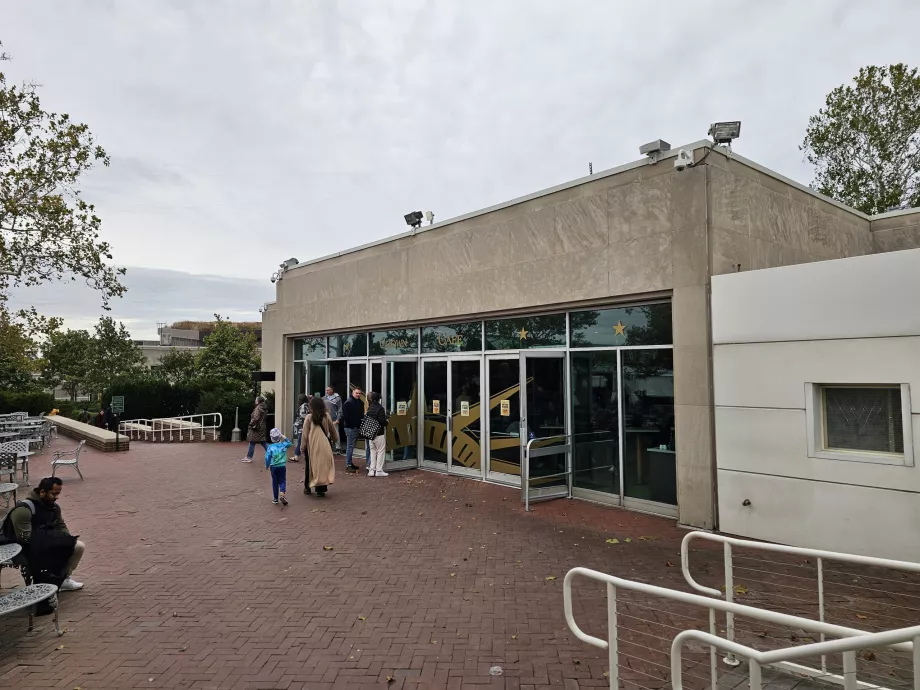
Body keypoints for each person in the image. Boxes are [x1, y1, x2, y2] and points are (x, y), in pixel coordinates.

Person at [0, 477, 85, 593]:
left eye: (58, 494)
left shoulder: (54, 507)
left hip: (42, 541)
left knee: (77, 546)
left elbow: (61, 526)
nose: (56, 497)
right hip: (18, 547)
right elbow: (24, 538)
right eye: (53, 494)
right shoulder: (24, 510)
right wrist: (54, 539)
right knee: (50, 550)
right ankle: (46, 580)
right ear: (42, 492)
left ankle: (62, 578)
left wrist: (65, 539)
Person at [303, 396, 337, 497]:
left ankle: (307, 487)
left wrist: (302, 446)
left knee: (310, 466)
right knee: (323, 466)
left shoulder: (309, 417)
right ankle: (321, 489)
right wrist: (335, 439)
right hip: (325, 444)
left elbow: (305, 434)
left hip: (312, 445)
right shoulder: (326, 416)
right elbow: (332, 430)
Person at [264, 428, 292, 506]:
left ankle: (275, 499)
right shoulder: (283, 445)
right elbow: (290, 443)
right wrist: (283, 437)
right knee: (282, 480)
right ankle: (282, 493)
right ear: (279, 437)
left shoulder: (270, 447)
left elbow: (267, 457)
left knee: (275, 482)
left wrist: (267, 465)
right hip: (282, 466)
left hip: (273, 467)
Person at [365, 391, 389, 477]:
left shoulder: (370, 408)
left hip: (370, 433)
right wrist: (387, 422)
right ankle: (379, 470)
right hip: (379, 433)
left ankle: (372, 470)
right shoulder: (380, 408)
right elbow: (382, 421)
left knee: (373, 451)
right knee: (381, 451)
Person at [341, 387, 365, 472]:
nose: (358, 395)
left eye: (359, 393)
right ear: (352, 393)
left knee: (351, 446)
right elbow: (346, 417)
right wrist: (353, 425)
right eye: (356, 393)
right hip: (350, 428)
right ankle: (348, 464)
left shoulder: (359, 402)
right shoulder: (348, 403)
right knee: (350, 446)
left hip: (354, 427)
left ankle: (350, 463)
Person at [242, 395, 268, 463]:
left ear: (258, 401)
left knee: (252, 441)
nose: (255, 400)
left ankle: (249, 457)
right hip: (262, 427)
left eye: (256, 399)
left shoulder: (258, 408)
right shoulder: (264, 408)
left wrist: (251, 424)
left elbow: (255, 418)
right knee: (263, 442)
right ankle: (274, 455)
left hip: (256, 428)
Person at [322, 386, 343, 452]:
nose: (327, 391)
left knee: (336, 433)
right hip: (325, 419)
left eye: (328, 390)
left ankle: (338, 448)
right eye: (326, 390)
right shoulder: (324, 398)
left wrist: (338, 419)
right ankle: (328, 447)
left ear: (332, 390)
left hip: (334, 419)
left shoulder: (337, 398)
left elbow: (340, 409)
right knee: (327, 434)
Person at [291, 394, 308, 463]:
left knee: (300, 441)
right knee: (302, 441)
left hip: (302, 426)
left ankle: (296, 456)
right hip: (303, 426)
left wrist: (298, 423)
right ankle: (304, 455)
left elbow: (304, 416)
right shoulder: (307, 405)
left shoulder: (303, 406)